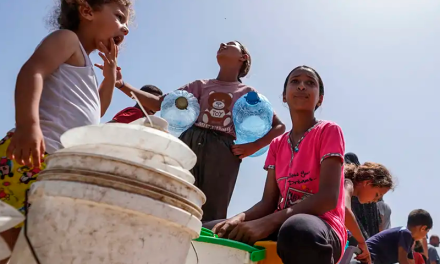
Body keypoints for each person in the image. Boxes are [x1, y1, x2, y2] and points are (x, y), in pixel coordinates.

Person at [0, 0, 131, 262]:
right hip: (30, 153)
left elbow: (98, 110)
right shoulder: (67, 40)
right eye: (119, 16)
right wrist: (29, 125)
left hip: (54, 165)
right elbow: (32, 71)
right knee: (5, 233)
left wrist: (108, 77)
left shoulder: (86, 66)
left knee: (27, 241)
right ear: (86, 11)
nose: (125, 29)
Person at [97, 41, 286, 221]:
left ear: (243, 57)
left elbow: (279, 126)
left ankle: (205, 248)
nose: (222, 44)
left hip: (224, 152)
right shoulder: (199, 86)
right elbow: (159, 102)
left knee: (213, 210)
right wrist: (121, 84)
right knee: (178, 199)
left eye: (230, 44)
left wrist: (254, 146)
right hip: (189, 144)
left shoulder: (248, 92)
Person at [206, 65, 346, 264]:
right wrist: (238, 218)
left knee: (297, 229)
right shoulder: (277, 144)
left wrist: (268, 222)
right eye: (295, 81)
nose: (301, 87)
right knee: (207, 229)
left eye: (310, 83)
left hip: (322, 226)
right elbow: (268, 202)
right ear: (284, 96)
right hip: (280, 222)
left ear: (320, 98)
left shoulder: (328, 131)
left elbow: (327, 198)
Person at [344, 161, 394, 263]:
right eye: (377, 195)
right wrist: (362, 242)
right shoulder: (347, 184)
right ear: (367, 183)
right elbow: (345, 211)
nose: (376, 200)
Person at [366, 209, 433, 264]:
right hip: (366, 255)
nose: (425, 236)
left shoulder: (409, 241)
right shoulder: (406, 233)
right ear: (423, 228)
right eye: (427, 231)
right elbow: (402, 260)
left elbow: (410, 261)